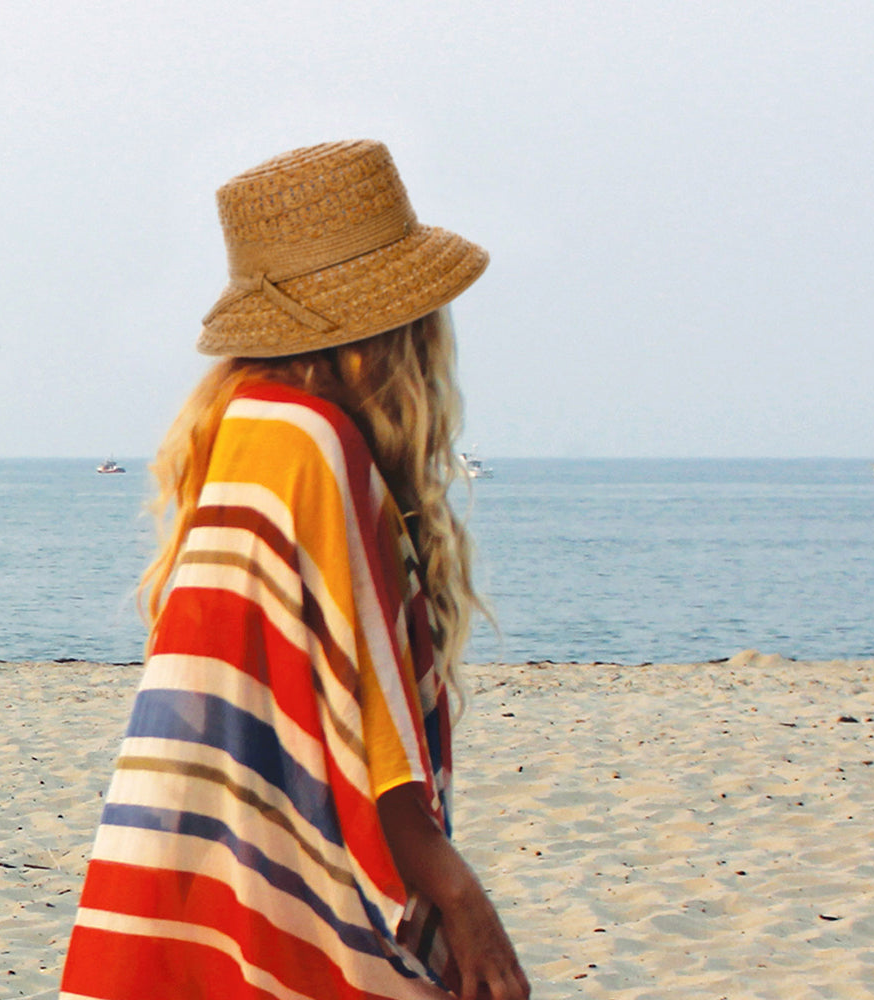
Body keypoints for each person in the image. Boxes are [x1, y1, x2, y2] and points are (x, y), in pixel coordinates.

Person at [60, 140, 530, 1000]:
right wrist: (462, 898)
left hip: (197, 874)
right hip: (293, 894)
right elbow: (365, 731)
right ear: (395, 325)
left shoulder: (240, 424)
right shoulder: (309, 442)